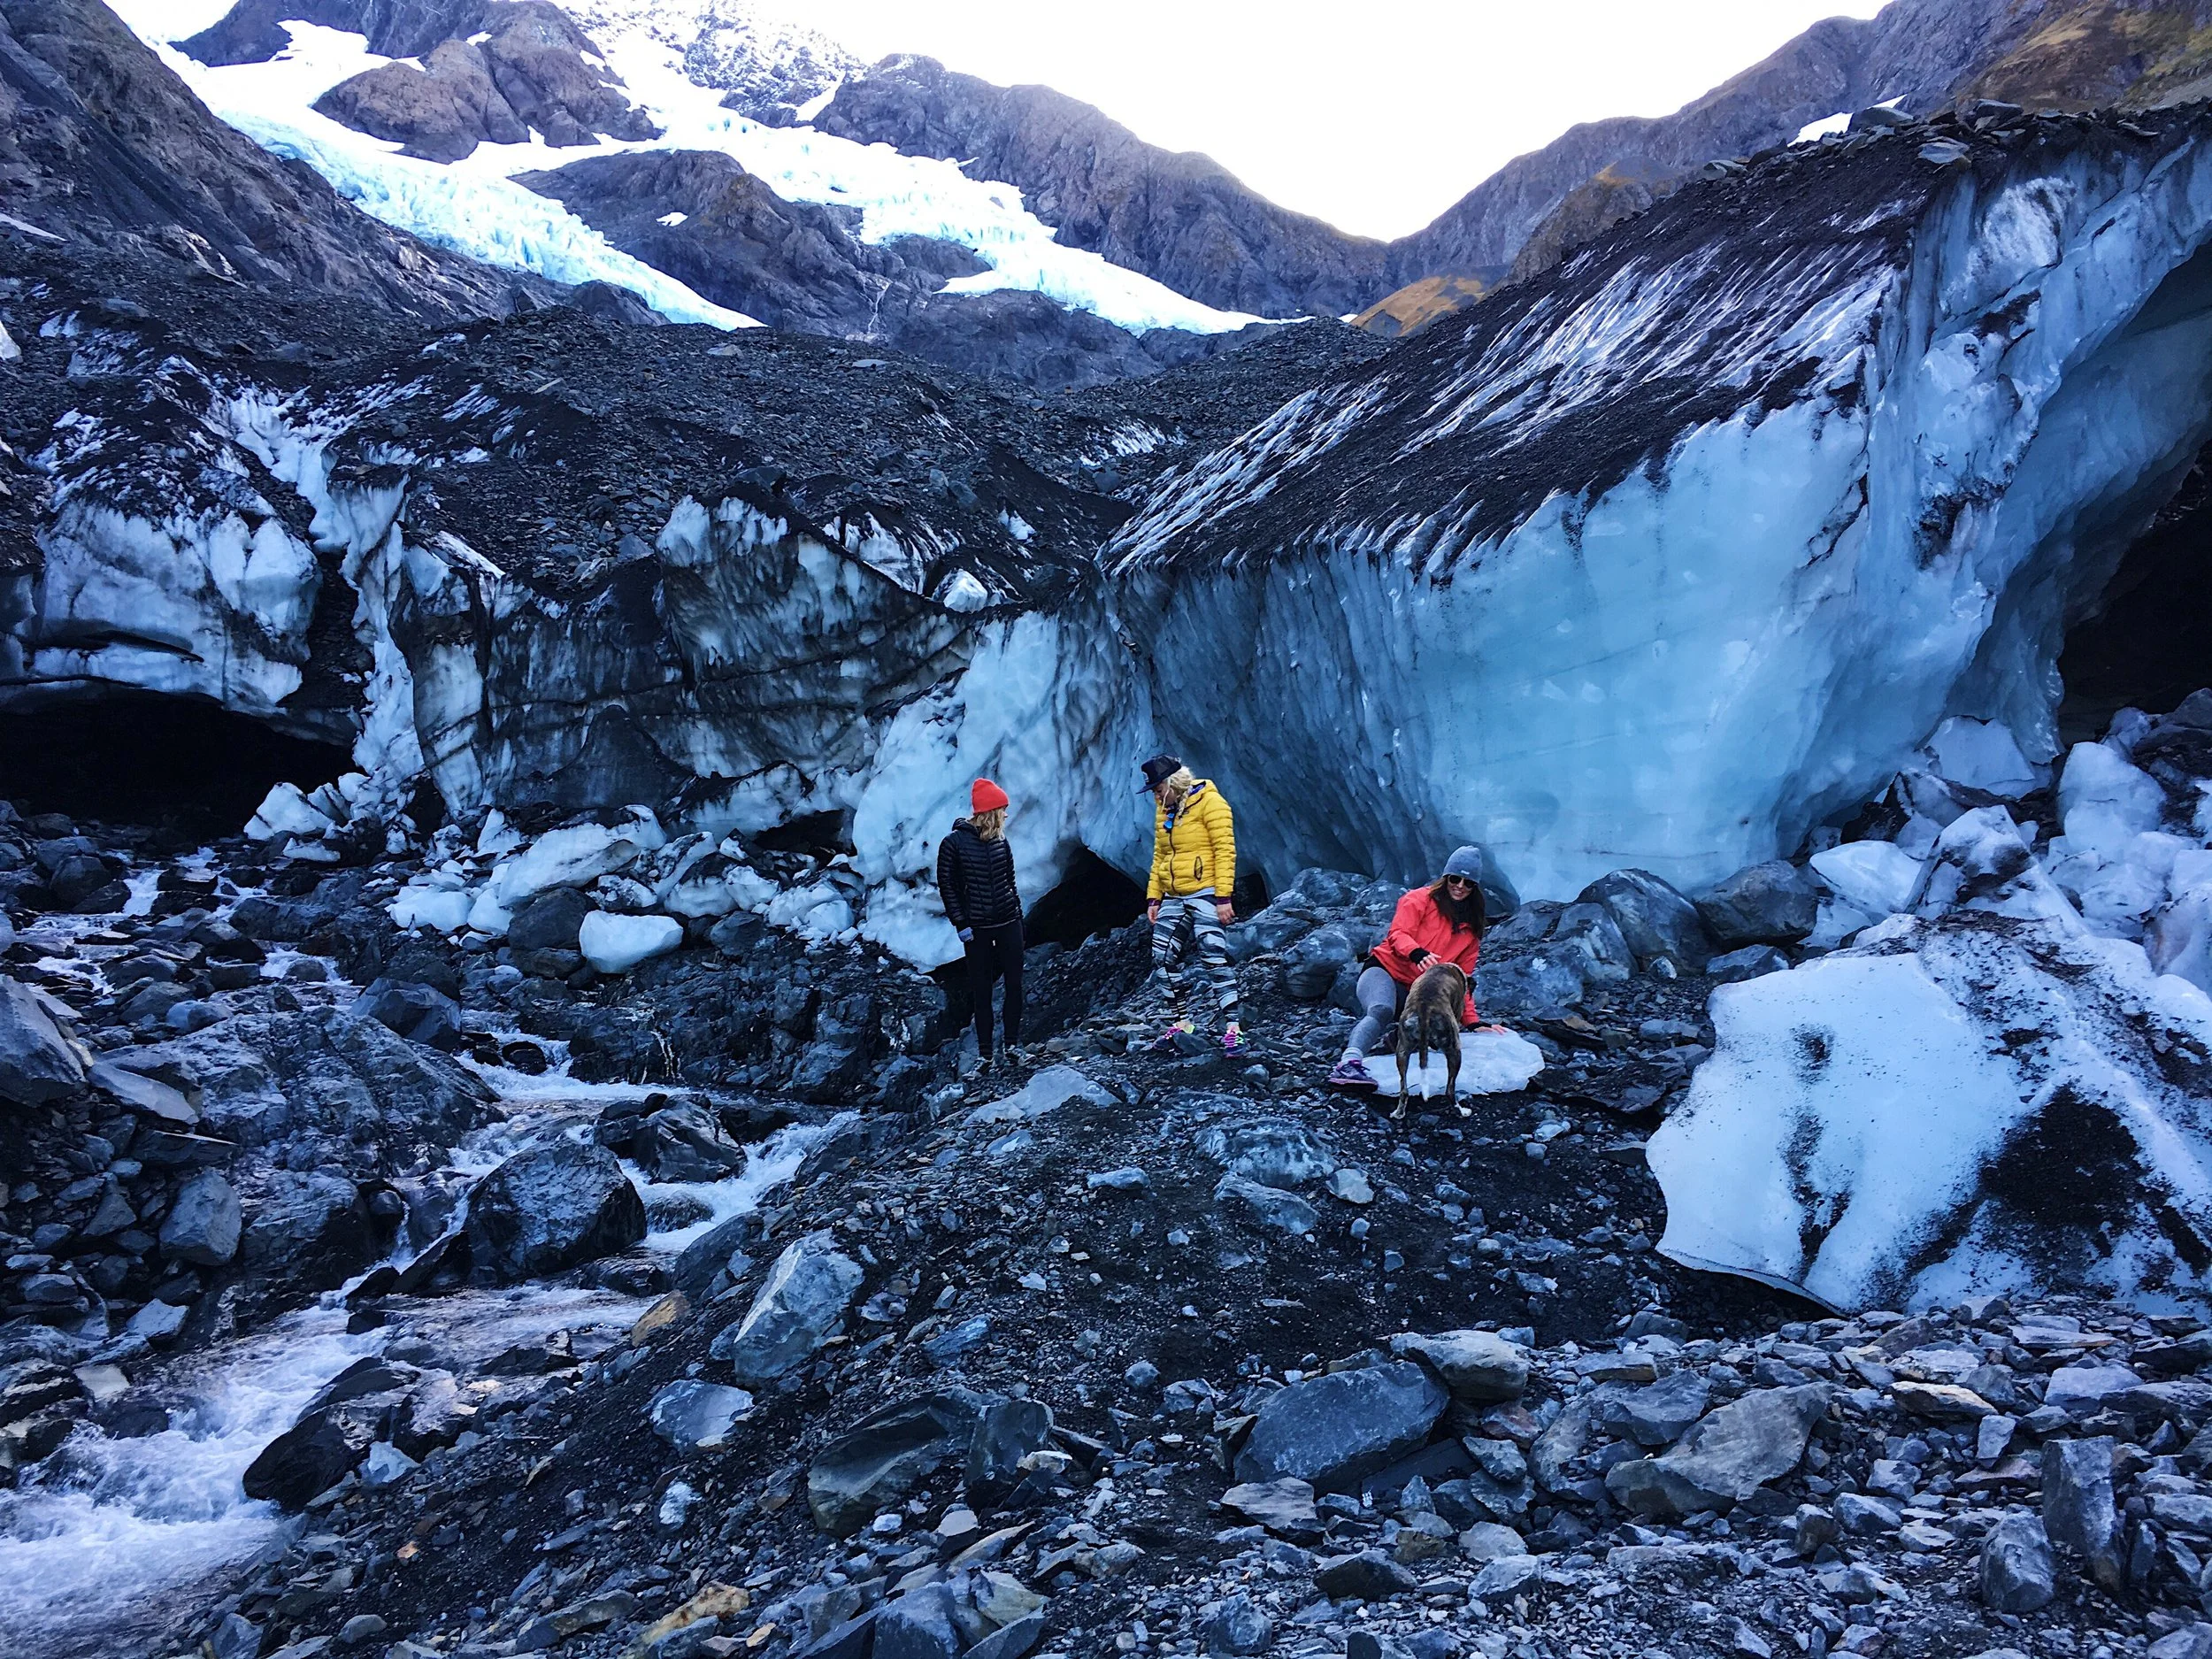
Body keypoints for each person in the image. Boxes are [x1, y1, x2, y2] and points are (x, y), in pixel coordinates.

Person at [1327, 845, 1489, 1094]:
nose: (1460, 886)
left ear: (1475, 888)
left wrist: (1473, 1022)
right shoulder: (1419, 899)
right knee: (1381, 1009)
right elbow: (1398, 933)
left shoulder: (1470, 929)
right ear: (1445, 878)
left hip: (1417, 989)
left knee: (1441, 1025)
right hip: (1384, 971)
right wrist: (1417, 953)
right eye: (1455, 879)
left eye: (1468, 883)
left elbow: (1462, 980)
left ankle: (1393, 1043)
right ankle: (1348, 1062)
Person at [1139, 755, 1245, 1055]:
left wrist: (1223, 898)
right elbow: (1160, 856)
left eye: (1159, 789)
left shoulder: (1212, 803)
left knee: (1213, 956)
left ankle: (1233, 1029)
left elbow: (1225, 850)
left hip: (1206, 892)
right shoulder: (1164, 810)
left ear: (1173, 783)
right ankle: (1182, 1022)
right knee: (1161, 958)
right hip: (1174, 894)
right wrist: (1154, 896)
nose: (1156, 796)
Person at [937, 778, 1025, 1072]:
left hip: (1008, 921)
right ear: (990, 812)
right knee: (982, 991)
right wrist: (960, 923)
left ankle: (1012, 1046)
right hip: (978, 928)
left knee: (1015, 984)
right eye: (1002, 810)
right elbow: (947, 885)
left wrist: (1018, 912)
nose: (1006, 816)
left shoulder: (1001, 841)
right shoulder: (954, 844)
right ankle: (986, 1056)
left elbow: (1010, 880)